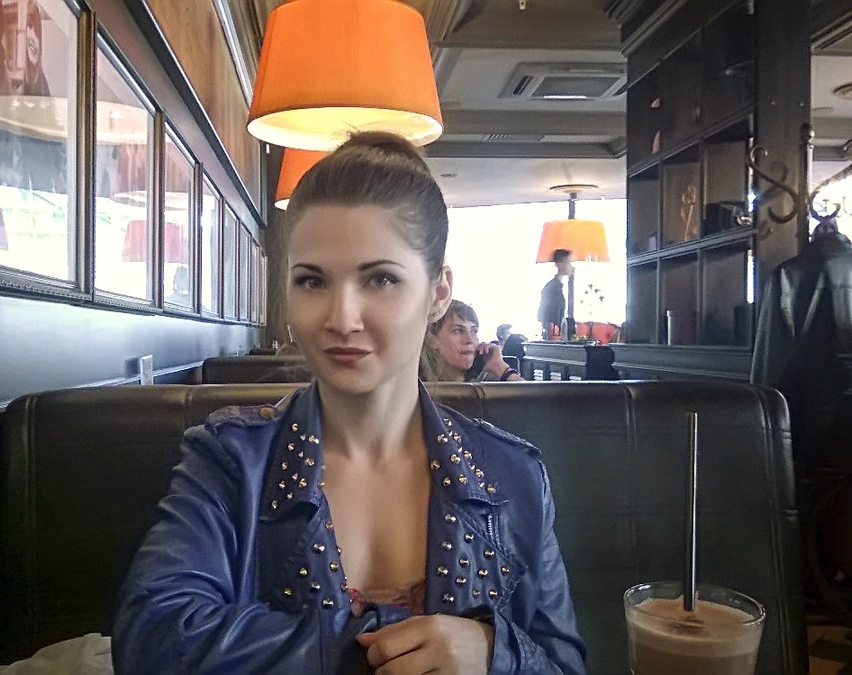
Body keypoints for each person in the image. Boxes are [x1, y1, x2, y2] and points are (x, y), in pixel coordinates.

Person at [112, 132, 586, 674]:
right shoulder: (230, 460)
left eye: (380, 279)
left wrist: (494, 654)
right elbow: (153, 641)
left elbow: (564, 664)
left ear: (438, 292)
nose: (341, 318)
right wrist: (385, 647)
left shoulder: (514, 474)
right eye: (312, 281)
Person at [426, 301, 523, 382]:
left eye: (473, 331)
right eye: (457, 331)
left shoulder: (489, 377)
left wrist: (501, 368)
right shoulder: (420, 382)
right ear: (431, 340)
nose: (469, 340)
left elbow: (529, 398)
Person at [538, 249, 573, 339]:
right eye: (568, 262)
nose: (570, 266)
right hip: (554, 335)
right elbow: (548, 316)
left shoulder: (558, 286)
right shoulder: (552, 288)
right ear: (559, 264)